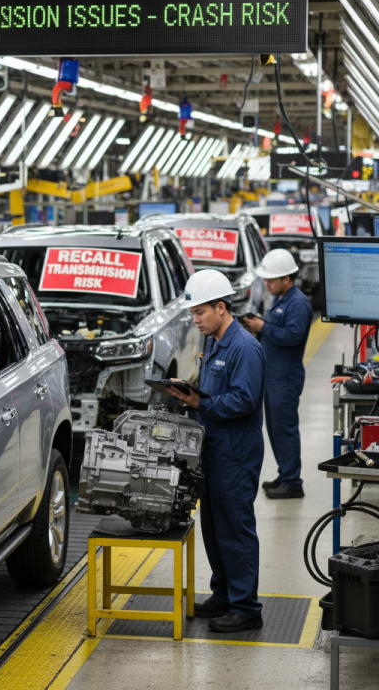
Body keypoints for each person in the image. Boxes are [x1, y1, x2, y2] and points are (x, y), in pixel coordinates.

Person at [168, 269, 265, 633]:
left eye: (200, 313)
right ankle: (224, 594)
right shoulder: (212, 342)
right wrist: (189, 391)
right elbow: (215, 389)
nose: (195, 320)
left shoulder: (244, 348)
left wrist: (199, 402)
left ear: (221, 307)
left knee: (235, 529)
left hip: (236, 455)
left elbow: (244, 399)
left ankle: (246, 608)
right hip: (213, 449)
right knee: (213, 527)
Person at [242, 248, 312, 499]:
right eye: (266, 279)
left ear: (287, 278)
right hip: (272, 376)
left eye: (272, 280)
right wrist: (258, 329)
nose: (267, 284)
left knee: (285, 429)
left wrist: (263, 326)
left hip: (285, 377)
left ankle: (293, 482)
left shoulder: (299, 303)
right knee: (274, 428)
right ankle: (286, 474)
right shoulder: (280, 299)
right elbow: (275, 331)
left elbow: (292, 337)